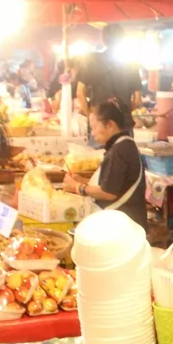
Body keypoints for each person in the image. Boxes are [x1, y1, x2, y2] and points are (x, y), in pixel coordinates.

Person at [62, 102, 148, 230]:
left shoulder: (119, 151)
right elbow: (114, 183)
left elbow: (109, 193)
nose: (93, 133)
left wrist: (77, 187)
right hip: (123, 220)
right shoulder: (122, 145)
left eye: (95, 127)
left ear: (110, 125)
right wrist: (82, 180)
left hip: (123, 225)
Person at [77, 24, 142, 137]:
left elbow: (80, 92)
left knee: (96, 154)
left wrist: (90, 115)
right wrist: (123, 112)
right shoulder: (131, 64)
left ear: (103, 39)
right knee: (123, 152)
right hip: (123, 123)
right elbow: (137, 100)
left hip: (99, 120)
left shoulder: (91, 60)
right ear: (122, 39)